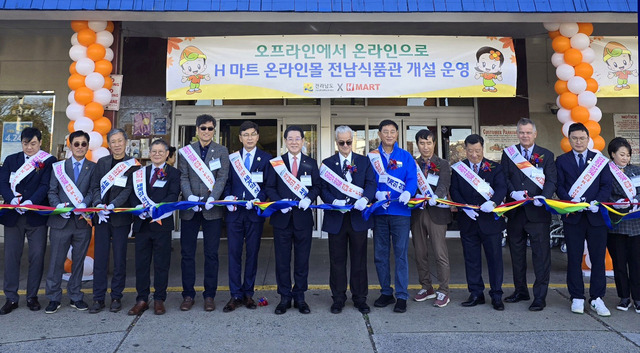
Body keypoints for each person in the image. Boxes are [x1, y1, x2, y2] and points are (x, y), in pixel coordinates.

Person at [556, 122, 612, 316]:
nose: (578, 141)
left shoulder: (599, 161)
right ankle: (577, 296)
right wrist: (571, 200)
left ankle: (597, 298)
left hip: (596, 218)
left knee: (598, 259)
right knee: (573, 258)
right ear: (569, 139)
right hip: (573, 218)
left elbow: (606, 185)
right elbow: (559, 186)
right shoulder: (561, 161)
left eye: (582, 138)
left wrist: (598, 201)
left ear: (588, 139)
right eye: (574, 138)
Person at [500, 118, 557, 311]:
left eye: (528, 132)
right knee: (516, 255)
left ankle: (540, 297)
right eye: (521, 132)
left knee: (541, 257)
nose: (525, 135)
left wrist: (544, 196)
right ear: (517, 133)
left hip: (538, 213)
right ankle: (520, 291)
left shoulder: (547, 155)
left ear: (535, 134)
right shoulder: (509, 154)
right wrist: (511, 193)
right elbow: (505, 177)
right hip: (516, 213)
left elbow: (552, 181)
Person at [320, 126, 377, 314]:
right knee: (337, 261)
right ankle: (338, 298)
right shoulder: (327, 163)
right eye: (341, 142)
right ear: (336, 142)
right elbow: (323, 189)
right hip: (336, 219)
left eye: (348, 142)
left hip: (357, 219)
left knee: (359, 261)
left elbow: (371, 184)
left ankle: (360, 298)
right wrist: (332, 201)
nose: (345, 145)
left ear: (353, 140)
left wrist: (365, 199)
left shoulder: (364, 161)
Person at [265, 125, 321, 315]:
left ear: (303, 141)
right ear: (285, 141)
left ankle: (300, 297)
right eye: (290, 139)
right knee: (282, 260)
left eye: (298, 139)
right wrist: (280, 202)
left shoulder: (311, 163)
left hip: (303, 220)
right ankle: (284, 297)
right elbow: (269, 187)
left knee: (302, 260)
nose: (294, 142)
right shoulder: (276, 163)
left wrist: (308, 198)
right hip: (281, 219)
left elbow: (317, 187)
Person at [0, 127, 56, 315]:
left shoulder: (48, 161)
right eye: (26, 143)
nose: (29, 147)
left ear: (40, 143)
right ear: (21, 143)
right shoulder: (11, 160)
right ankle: (11, 298)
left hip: (35, 216)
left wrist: (32, 202)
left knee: (37, 257)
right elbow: (3, 183)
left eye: (33, 144)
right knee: (11, 258)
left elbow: (46, 185)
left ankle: (32, 296)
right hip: (13, 215)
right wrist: (11, 199)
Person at [450, 134, 507, 311]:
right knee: (471, 259)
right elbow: (454, 189)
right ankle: (476, 293)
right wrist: (463, 207)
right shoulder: (460, 169)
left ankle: (497, 295)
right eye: (470, 150)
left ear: (483, 148)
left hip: (490, 222)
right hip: (468, 221)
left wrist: (494, 201)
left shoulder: (495, 168)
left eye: (477, 150)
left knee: (495, 260)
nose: (474, 155)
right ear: (464, 150)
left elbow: (501, 187)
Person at [178, 114, 229, 311]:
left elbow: (222, 177)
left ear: (214, 130)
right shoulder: (186, 152)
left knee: (211, 254)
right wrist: (189, 196)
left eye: (210, 128)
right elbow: (183, 176)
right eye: (203, 128)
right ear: (197, 129)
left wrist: (212, 198)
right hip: (191, 209)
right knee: (187, 254)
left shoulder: (222, 151)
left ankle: (209, 295)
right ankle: (188, 295)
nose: (206, 131)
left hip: (211, 209)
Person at [221, 121, 271, 312]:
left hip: (254, 214)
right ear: (240, 138)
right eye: (245, 135)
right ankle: (235, 295)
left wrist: (258, 198)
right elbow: (226, 182)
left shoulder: (266, 158)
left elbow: (268, 185)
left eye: (253, 134)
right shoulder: (232, 158)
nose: (249, 138)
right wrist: (227, 196)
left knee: (252, 254)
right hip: (234, 214)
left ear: (258, 136)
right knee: (233, 254)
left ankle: (248, 293)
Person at [44, 130, 96, 314]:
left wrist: (85, 203)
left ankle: (75, 295)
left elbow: (93, 190)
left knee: (79, 262)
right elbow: (51, 191)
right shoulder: (58, 167)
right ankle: (53, 297)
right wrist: (58, 206)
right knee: (56, 262)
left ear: (87, 146)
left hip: (81, 222)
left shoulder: (93, 167)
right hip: (60, 221)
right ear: (70, 145)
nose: (80, 147)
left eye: (84, 144)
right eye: (77, 144)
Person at [127, 139, 181, 316]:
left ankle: (159, 299)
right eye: (154, 151)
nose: (157, 154)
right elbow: (133, 196)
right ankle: (142, 299)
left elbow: (173, 196)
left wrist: (155, 210)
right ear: (149, 154)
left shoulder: (173, 173)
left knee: (161, 264)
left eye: (160, 151)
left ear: (167, 154)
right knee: (141, 264)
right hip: (142, 225)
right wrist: (140, 210)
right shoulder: (139, 174)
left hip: (162, 224)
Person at [369, 120, 417, 313]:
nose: (389, 135)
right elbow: (367, 180)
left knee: (401, 255)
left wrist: (408, 192)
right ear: (379, 134)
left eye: (392, 132)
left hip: (400, 213)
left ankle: (402, 296)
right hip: (380, 212)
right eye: (385, 132)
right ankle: (386, 292)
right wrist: (374, 194)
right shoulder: (371, 157)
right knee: (380, 255)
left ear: (397, 134)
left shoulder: (405, 156)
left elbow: (412, 179)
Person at [89, 128, 139, 314]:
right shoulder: (102, 163)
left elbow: (129, 189)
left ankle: (116, 296)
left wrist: (114, 205)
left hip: (120, 218)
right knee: (100, 259)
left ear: (125, 142)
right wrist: (98, 204)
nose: (117, 145)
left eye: (120, 141)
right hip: (102, 217)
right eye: (113, 141)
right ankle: (98, 298)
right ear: (108, 144)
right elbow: (95, 186)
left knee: (119, 259)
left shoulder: (133, 164)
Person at [410, 129, 452, 308]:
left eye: (428, 143)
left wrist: (437, 196)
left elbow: (444, 184)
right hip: (418, 213)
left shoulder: (443, 164)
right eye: (421, 143)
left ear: (434, 144)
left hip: (437, 213)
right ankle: (426, 287)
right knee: (420, 253)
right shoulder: (413, 164)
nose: (425, 147)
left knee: (439, 253)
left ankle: (444, 290)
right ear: (417, 144)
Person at [606, 137, 640, 313]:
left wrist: (636, 200)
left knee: (636, 263)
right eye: (621, 154)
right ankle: (624, 297)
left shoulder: (636, 170)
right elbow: (604, 192)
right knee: (619, 263)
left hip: (636, 223)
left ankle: (638, 298)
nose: (625, 158)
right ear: (612, 154)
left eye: (627, 154)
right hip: (617, 224)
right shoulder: (607, 172)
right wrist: (616, 202)